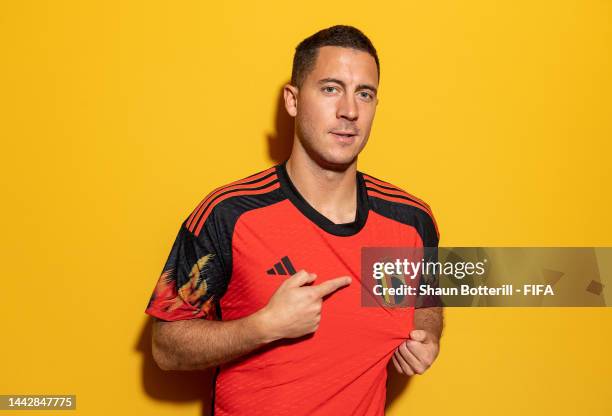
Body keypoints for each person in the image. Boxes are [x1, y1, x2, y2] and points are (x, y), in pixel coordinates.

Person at [144, 24, 443, 416]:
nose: (349, 111)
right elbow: (165, 347)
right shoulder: (229, 213)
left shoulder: (409, 219)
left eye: (364, 94)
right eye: (330, 88)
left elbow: (428, 300)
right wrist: (264, 326)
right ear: (293, 100)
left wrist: (428, 336)